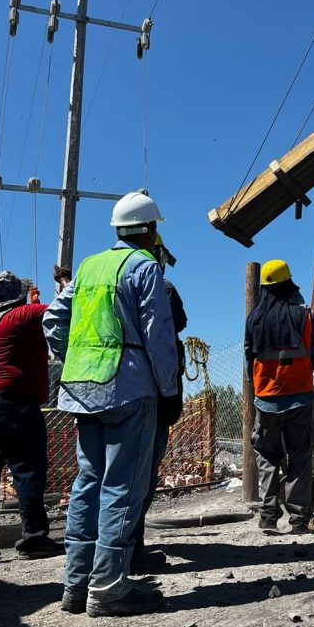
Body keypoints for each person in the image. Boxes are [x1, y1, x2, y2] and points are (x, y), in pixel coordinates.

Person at [43, 191, 179, 618]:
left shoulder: (87, 266)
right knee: (122, 485)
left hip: (84, 390)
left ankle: (75, 585)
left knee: (88, 483)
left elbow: (53, 319)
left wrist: (76, 358)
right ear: (151, 229)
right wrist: (169, 388)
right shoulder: (144, 267)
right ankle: (108, 588)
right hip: (129, 388)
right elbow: (158, 335)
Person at [0, 272, 62, 561]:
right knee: (27, 472)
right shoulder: (24, 314)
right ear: (18, 295)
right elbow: (61, 309)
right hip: (14, 404)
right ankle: (34, 539)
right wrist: (63, 284)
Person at [244, 259, 314, 533]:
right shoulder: (304, 316)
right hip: (301, 397)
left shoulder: (254, 319)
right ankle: (299, 519)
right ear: (289, 284)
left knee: (268, 456)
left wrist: (256, 388)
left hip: (267, 399)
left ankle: (268, 516)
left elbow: (249, 361)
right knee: (300, 456)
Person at [130, 236, 187, 573]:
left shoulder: (104, 278)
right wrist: (168, 393)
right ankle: (131, 550)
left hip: (100, 392)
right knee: (141, 476)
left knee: (103, 479)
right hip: (150, 394)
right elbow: (172, 329)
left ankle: (102, 556)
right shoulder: (162, 288)